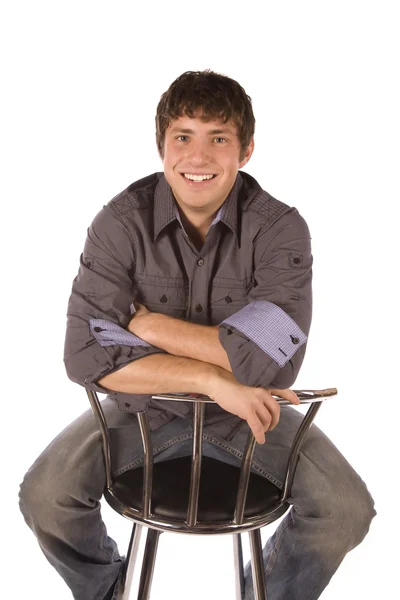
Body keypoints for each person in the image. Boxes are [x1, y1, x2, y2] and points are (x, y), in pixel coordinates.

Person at [19, 70, 376, 600]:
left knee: (346, 510)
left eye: (219, 139)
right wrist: (214, 378)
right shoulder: (120, 222)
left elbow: (264, 364)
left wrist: (146, 326)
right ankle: (110, 592)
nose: (198, 157)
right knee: (45, 497)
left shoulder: (280, 229)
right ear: (161, 146)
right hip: (143, 411)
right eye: (183, 136)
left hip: (250, 415)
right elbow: (83, 355)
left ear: (247, 149)